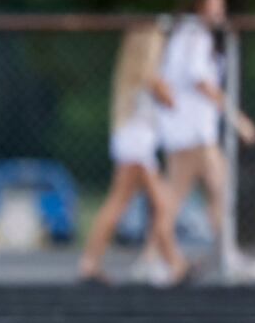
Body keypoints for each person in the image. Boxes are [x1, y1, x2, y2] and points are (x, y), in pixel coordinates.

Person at [151, 0, 255, 278]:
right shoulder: (194, 35)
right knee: (211, 193)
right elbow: (201, 82)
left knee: (209, 194)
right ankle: (182, 258)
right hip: (193, 133)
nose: (220, 9)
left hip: (186, 131)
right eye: (215, 3)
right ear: (200, 5)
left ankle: (170, 259)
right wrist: (237, 119)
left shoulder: (185, 34)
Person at [77, 23, 189, 284]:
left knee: (127, 203)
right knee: (154, 204)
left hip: (136, 138)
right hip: (137, 140)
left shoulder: (132, 74)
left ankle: (92, 263)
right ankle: (173, 263)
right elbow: (163, 94)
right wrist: (169, 96)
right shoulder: (148, 72)